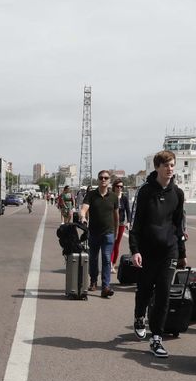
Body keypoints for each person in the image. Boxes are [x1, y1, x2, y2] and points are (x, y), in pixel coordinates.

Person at [129, 150, 187, 358]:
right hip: (146, 251)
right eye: (166, 165)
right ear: (157, 168)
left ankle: (156, 338)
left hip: (168, 250)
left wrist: (181, 253)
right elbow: (135, 224)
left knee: (163, 293)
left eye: (172, 165)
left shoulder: (178, 194)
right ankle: (139, 316)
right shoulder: (145, 192)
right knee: (145, 289)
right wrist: (135, 250)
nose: (170, 168)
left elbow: (179, 224)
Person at [78, 171, 125, 298]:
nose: (103, 180)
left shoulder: (114, 197)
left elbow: (116, 216)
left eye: (106, 178)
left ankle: (105, 287)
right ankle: (93, 281)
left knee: (106, 258)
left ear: (109, 180)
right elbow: (84, 208)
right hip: (93, 233)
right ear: (98, 180)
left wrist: (115, 232)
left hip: (108, 233)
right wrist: (83, 217)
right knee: (93, 258)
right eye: (101, 178)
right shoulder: (91, 195)